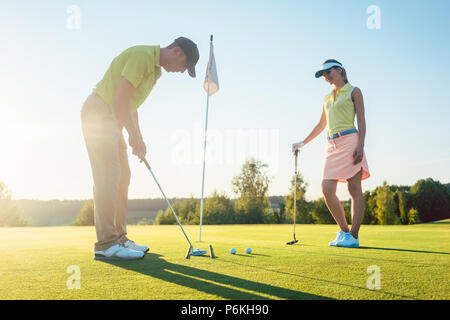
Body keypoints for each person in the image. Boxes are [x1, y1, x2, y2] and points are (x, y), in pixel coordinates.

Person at [81, 37, 199, 260]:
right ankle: (105, 244)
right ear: (176, 52)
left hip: (112, 119)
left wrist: (139, 139)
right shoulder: (143, 57)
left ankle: (119, 238)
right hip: (98, 114)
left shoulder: (155, 71)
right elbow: (120, 100)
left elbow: (131, 106)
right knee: (109, 176)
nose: (182, 71)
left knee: (123, 176)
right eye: (185, 66)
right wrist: (133, 136)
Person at [292, 59, 370, 248]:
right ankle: (344, 232)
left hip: (351, 141)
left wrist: (361, 145)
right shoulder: (327, 98)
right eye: (323, 75)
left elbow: (361, 119)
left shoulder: (354, 91)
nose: (326, 77)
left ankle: (353, 236)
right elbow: (321, 125)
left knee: (354, 189)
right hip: (331, 145)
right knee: (327, 189)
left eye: (328, 72)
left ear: (339, 70)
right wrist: (303, 142)